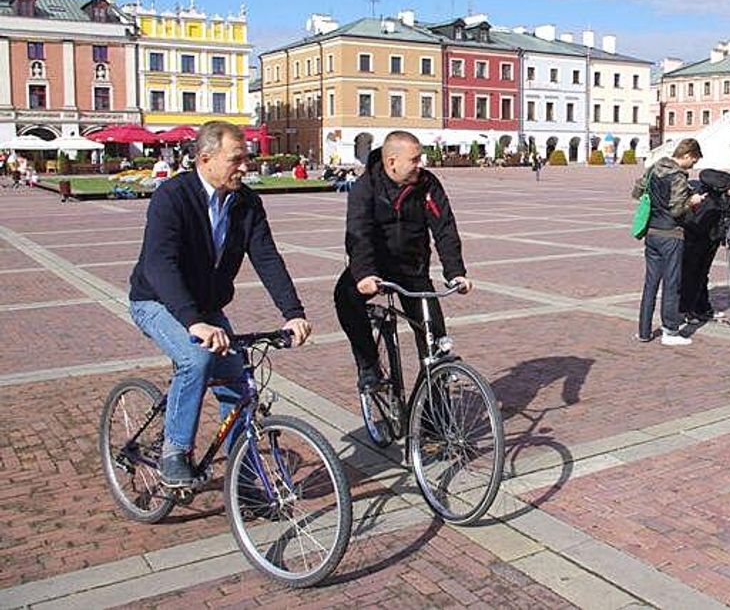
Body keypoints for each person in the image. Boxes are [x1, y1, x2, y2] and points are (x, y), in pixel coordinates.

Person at [128, 121, 312, 487]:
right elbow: (159, 264)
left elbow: (267, 257)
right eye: (236, 159)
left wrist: (293, 313)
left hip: (206, 308)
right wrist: (194, 322)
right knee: (195, 358)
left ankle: (241, 484)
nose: (246, 167)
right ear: (205, 158)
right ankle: (175, 452)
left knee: (237, 384)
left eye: (247, 158)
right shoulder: (173, 197)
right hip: (156, 301)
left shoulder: (246, 202)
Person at [334, 131, 472, 391]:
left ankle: (435, 416)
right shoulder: (367, 187)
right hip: (376, 268)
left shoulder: (427, 185)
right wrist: (364, 274)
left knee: (434, 339)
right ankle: (369, 364)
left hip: (413, 268)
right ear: (392, 162)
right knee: (345, 298)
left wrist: (455, 272)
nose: (422, 165)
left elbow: (444, 227)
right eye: (415, 159)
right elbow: (358, 231)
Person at [632, 138, 704, 346]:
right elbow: (676, 209)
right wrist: (693, 201)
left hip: (652, 232)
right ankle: (670, 331)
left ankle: (644, 331)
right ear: (688, 155)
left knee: (650, 283)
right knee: (672, 283)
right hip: (671, 234)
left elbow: (637, 192)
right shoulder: (678, 176)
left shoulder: (655, 168)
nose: (693, 165)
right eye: (694, 160)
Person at [680, 168, 730, 324]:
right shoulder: (715, 195)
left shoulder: (712, 192)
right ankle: (688, 310)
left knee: (698, 274)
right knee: (694, 275)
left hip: (702, 237)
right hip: (700, 238)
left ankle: (699, 308)